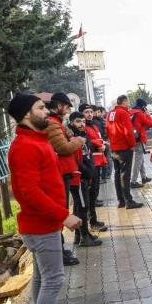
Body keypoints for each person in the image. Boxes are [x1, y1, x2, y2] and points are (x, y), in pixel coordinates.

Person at [7, 93, 81, 304]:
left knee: (41, 277)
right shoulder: (26, 145)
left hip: (43, 223)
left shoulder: (36, 140)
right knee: (54, 279)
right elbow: (29, 192)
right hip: (41, 225)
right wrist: (63, 215)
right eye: (40, 107)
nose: (46, 111)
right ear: (27, 114)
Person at [45, 92, 84, 267]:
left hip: (64, 171)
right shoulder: (53, 124)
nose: (68, 110)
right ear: (60, 106)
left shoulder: (57, 124)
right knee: (59, 211)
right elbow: (62, 147)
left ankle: (59, 249)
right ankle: (58, 252)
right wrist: (79, 141)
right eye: (67, 107)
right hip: (59, 172)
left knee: (62, 208)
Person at [67, 112, 103, 247]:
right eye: (78, 121)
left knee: (80, 206)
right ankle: (84, 236)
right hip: (78, 177)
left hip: (85, 175)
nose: (82, 124)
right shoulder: (72, 138)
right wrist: (86, 171)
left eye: (83, 121)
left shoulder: (83, 136)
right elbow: (75, 159)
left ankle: (80, 234)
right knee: (82, 207)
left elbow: (86, 155)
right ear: (71, 123)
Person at [106, 95, 143, 210]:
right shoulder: (123, 113)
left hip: (114, 148)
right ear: (124, 102)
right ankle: (128, 200)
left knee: (117, 174)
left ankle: (120, 200)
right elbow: (128, 131)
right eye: (127, 102)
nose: (128, 105)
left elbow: (107, 130)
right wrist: (132, 145)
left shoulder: (110, 113)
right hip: (124, 148)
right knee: (125, 175)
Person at [82, 105, 108, 227]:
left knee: (95, 191)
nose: (90, 114)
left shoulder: (95, 125)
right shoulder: (83, 127)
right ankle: (91, 219)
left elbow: (99, 139)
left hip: (97, 161)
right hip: (90, 163)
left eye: (91, 112)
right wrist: (97, 145)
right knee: (90, 193)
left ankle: (92, 218)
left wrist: (103, 146)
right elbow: (86, 143)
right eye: (86, 112)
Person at [130, 98, 152, 188]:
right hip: (139, 139)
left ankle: (143, 177)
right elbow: (150, 124)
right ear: (143, 107)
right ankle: (133, 181)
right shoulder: (140, 114)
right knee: (138, 160)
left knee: (140, 159)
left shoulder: (130, 112)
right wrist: (148, 115)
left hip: (133, 138)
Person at [94, 106, 112, 182]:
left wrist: (105, 141)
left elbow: (103, 132)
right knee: (105, 158)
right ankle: (106, 174)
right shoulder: (100, 121)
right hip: (104, 141)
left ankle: (106, 175)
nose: (97, 113)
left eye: (98, 112)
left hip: (103, 142)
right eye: (96, 112)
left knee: (106, 159)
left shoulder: (98, 121)